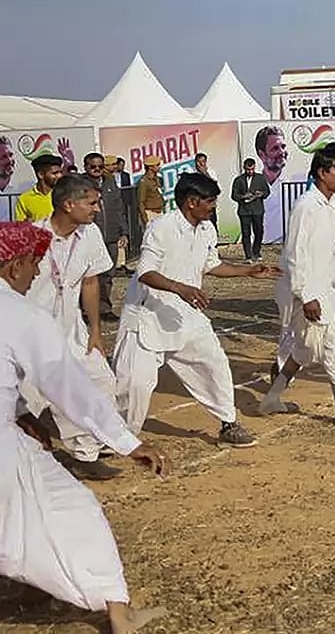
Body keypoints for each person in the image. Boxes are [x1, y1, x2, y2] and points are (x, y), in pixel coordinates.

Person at [0, 221, 169, 634]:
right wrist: (127, 442)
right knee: (74, 508)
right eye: (35, 263)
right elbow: (70, 388)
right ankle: (118, 613)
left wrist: (22, 413)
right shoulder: (22, 315)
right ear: (15, 265)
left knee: (33, 511)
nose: (37, 273)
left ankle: (36, 591)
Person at [112, 172, 272, 448]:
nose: (214, 206)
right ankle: (112, 436)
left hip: (186, 315)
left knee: (215, 364)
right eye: (210, 201)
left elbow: (211, 264)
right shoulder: (162, 227)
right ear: (192, 202)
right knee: (134, 385)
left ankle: (228, 424)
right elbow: (145, 273)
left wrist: (248, 271)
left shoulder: (207, 229)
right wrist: (181, 289)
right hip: (148, 316)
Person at [257, 146, 335, 426]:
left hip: (320, 286)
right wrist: (306, 296)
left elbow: (327, 253)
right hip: (302, 290)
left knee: (303, 350)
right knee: (334, 346)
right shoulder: (307, 207)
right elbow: (295, 254)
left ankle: (272, 397)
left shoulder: (329, 207)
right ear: (322, 173)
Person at [22, 174, 124, 480]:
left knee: (102, 383)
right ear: (68, 205)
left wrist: (95, 331)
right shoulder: (31, 237)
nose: (97, 208)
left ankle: (85, 454)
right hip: (31, 338)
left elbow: (90, 282)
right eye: (91, 203)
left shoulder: (89, 234)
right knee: (22, 402)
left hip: (73, 332)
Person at [84, 153, 128, 321]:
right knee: (89, 275)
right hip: (89, 236)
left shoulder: (110, 183)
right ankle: (86, 310)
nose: (97, 169)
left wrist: (124, 232)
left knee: (108, 274)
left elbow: (119, 208)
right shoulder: (80, 184)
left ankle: (104, 308)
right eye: (93, 166)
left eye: (100, 166)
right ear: (86, 167)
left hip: (111, 236)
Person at [231, 158, 270, 261]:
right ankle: (248, 255)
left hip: (257, 210)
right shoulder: (238, 180)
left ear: (255, 167)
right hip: (244, 211)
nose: (250, 171)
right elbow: (234, 195)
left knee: (259, 232)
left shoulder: (260, 178)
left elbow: (267, 192)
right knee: (246, 233)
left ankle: (256, 252)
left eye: (252, 169)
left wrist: (261, 194)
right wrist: (243, 197)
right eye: (248, 169)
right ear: (244, 168)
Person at [14, 154, 62, 222]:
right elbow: (20, 225)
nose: (60, 176)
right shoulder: (24, 199)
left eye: (60, 172)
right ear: (41, 174)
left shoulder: (63, 195)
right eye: (55, 173)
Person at [136, 155, 165, 226]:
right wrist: (145, 219)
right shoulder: (144, 182)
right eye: (157, 165)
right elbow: (141, 202)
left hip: (160, 212)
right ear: (150, 167)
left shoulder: (157, 179)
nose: (159, 167)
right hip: (150, 213)